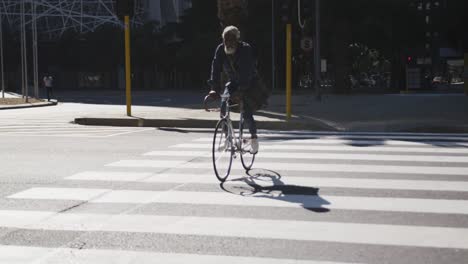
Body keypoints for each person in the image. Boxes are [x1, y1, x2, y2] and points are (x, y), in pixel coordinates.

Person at [207, 25, 260, 154]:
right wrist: (214, 88)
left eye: (231, 40)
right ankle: (227, 139)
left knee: (246, 111)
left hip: (248, 82)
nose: (228, 43)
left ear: (237, 39)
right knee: (223, 106)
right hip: (233, 82)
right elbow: (215, 69)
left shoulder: (245, 49)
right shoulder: (220, 49)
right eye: (225, 40)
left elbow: (246, 72)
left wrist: (241, 92)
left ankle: (254, 138)